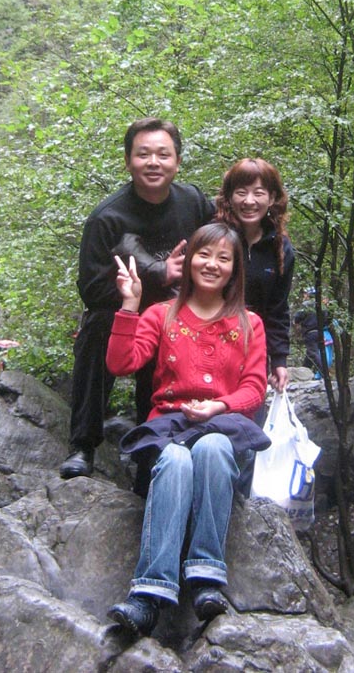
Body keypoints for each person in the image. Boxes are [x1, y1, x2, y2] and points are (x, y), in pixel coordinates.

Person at [105, 223, 268, 636]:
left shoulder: (249, 323)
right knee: (176, 460)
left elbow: (254, 388)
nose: (212, 264)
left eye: (223, 258)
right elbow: (121, 363)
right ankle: (149, 594)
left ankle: (206, 577)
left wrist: (219, 405)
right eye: (204, 254)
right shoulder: (162, 314)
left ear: (234, 269)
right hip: (169, 425)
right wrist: (130, 304)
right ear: (190, 259)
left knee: (213, 448)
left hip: (221, 425)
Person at [60, 117, 214, 483]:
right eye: (143, 154)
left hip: (175, 315)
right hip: (120, 314)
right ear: (128, 161)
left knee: (177, 341)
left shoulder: (192, 202)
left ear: (177, 161)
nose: (153, 162)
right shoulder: (107, 218)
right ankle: (83, 444)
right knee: (96, 330)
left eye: (163, 154)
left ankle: (151, 456)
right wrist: (157, 275)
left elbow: (223, 243)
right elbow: (92, 290)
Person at [215, 158, 294, 395]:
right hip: (209, 344)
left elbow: (277, 309)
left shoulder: (280, 248)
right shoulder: (214, 238)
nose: (249, 201)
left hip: (253, 352)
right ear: (229, 197)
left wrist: (279, 359)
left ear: (271, 198)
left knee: (249, 412)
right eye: (241, 192)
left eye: (258, 193)